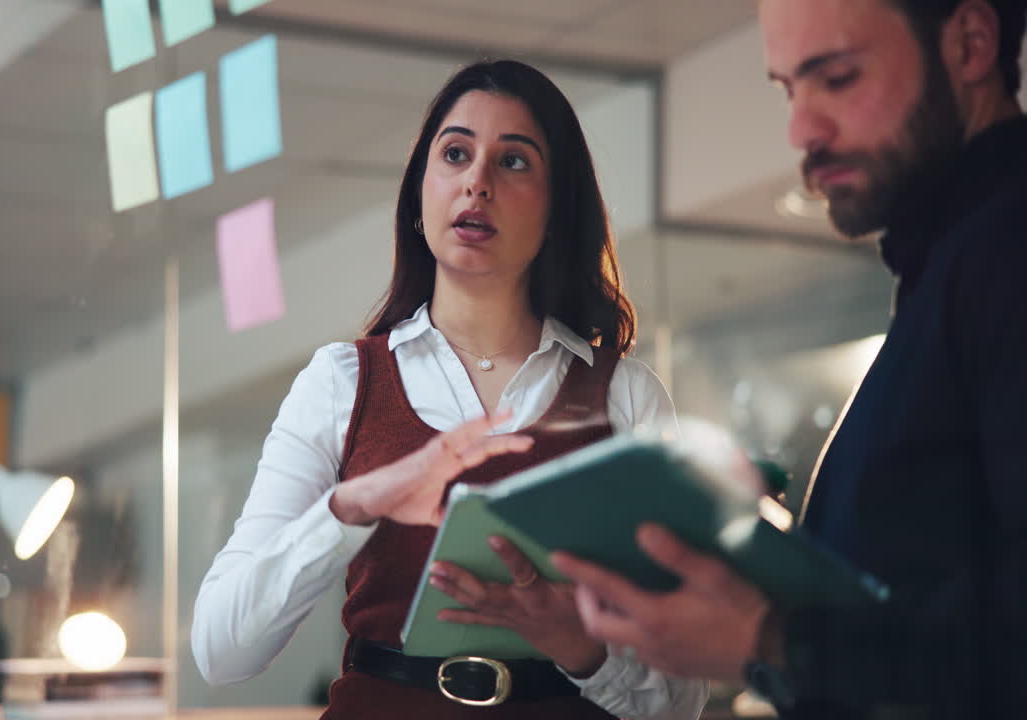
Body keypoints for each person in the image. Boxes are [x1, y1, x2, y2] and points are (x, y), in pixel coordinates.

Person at [192, 60, 709, 719]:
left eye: (513, 162)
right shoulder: (341, 383)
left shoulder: (627, 396)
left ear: (556, 211)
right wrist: (350, 507)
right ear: (418, 197)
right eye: (456, 154)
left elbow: (680, 704)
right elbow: (220, 652)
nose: (477, 182)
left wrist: (584, 649)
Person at [554, 1, 1027, 718]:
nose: (801, 129)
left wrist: (770, 637)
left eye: (835, 77)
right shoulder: (946, 275)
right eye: (787, 89)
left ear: (970, 44)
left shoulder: (1007, 251)